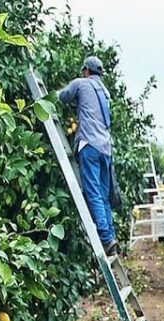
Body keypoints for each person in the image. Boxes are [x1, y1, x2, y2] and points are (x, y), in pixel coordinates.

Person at [59, 56, 118, 255]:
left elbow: (63, 96)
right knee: (103, 195)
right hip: (106, 149)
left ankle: (105, 237)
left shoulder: (81, 83)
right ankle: (110, 236)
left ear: (86, 70)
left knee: (93, 193)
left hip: (90, 146)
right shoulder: (104, 92)